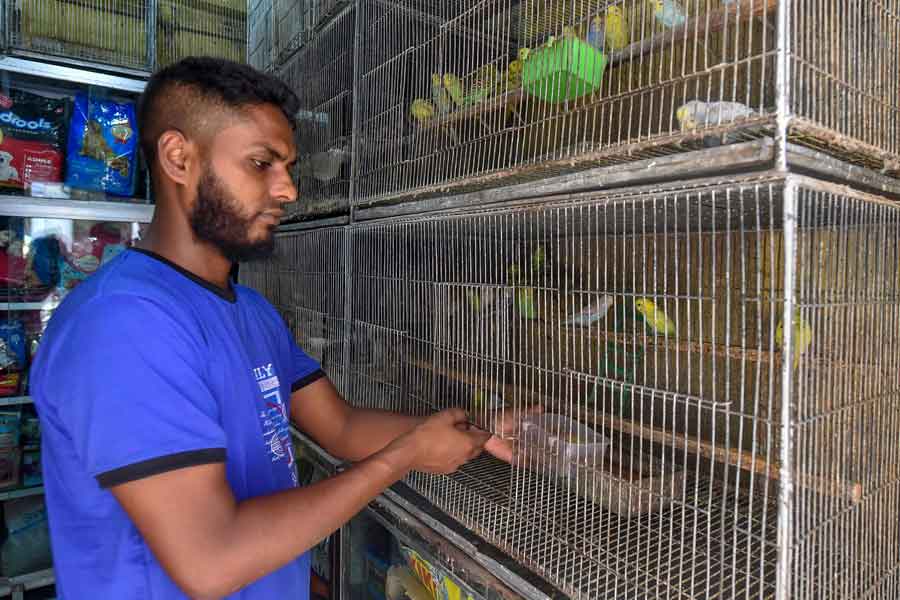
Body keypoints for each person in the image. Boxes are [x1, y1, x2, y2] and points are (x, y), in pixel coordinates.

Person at [30, 57, 528, 599]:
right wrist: (406, 457)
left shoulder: (250, 310)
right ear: (179, 158)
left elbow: (338, 425)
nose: (288, 189)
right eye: (261, 163)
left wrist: (478, 430)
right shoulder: (122, 324)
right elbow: (209, 561)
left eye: (288, 166)